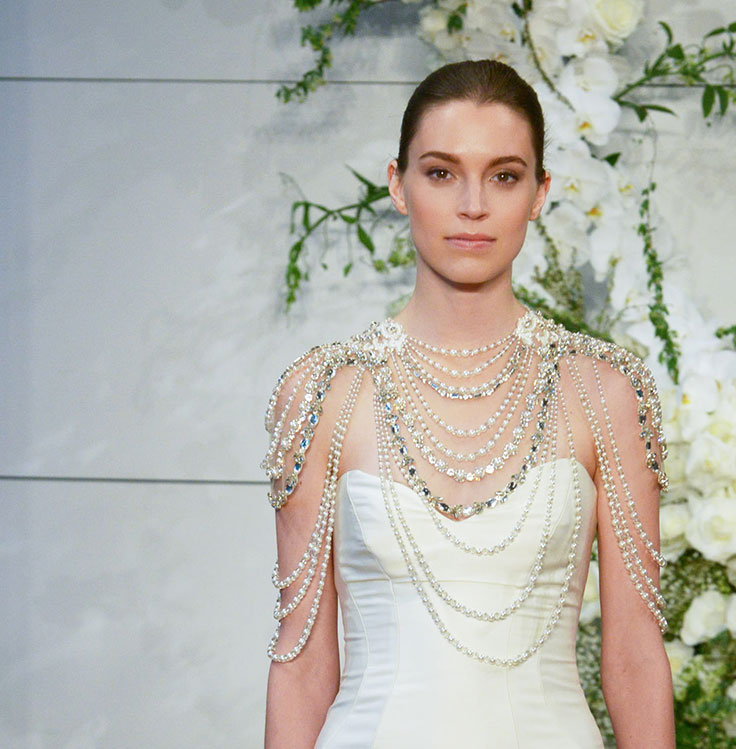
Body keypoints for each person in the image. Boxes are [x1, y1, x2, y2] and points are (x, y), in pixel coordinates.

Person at [262, 59, 675, 748]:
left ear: (540, 192)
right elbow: (300, 663)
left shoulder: (605, 392)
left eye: (504, 176)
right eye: (441, 172)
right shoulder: (324, 393)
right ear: (398, 184)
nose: (473, 205)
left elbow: (635, 656)